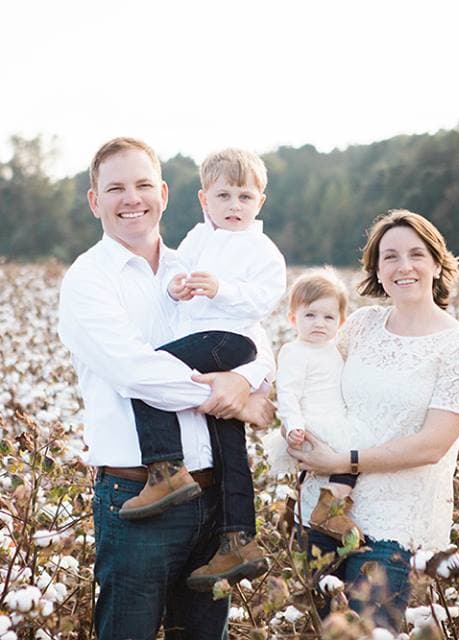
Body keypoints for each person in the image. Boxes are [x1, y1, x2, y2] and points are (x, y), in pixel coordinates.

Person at [57, 137, 275, 640]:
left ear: (165, 193)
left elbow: (253, 338)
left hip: (213, 491)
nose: (131, 198)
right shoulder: (88, 279)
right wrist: (225, 396)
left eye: (142, 185)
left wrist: (243, 379)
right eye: (115, 188)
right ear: (95, 201)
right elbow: (136, 372)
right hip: (138, 493)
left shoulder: (194, 266)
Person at [287, 209, 459, 631]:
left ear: (437, 263)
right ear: (377, 269)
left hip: (392, 527)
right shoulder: (360, 325)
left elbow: (431, 445)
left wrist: (343, 460)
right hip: (323, 510)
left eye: (416, 254)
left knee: (372, 632)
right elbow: (311, 379)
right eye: (390, 256)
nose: (404, 266)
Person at [120, 148, 287, 591]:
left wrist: (221, 288)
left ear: (260, 203)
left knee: (153, 371)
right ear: (203, 199)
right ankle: (238, 541)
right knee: (227, 440)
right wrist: (178, 290)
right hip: (209, 341)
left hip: (230, 340)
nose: (235, 207)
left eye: (245, 197)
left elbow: (264, 301)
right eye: (225, 196)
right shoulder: (194, 240)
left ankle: (165, 469)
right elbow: (178, 293)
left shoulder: (262, 249)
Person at [263, 268, 365, 543]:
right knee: (350, 457)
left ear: (341, 322)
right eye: (310, 315)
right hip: (312, 422)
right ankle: (329, 509)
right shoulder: (294, 352)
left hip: (334, 417)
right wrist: (294, 425)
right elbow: (288, 394)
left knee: (341, 462)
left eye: (328, 317)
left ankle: (302, 515)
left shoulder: (333, 349)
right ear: (293, 318)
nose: (319, 323)